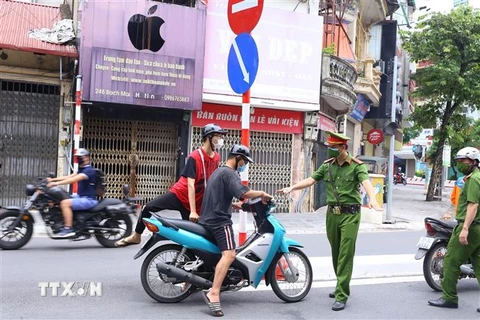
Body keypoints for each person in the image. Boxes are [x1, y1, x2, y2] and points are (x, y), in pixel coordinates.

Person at [277, 131, 382, 311]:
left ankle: (342, 294)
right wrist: (292, 187)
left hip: (350, 215)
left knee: (345, 254)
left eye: (334, 147)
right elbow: (311, 180)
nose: (331, 150)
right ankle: (340, 285)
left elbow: (366, 183)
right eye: (330, 147)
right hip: (332, 214)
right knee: (335, 252)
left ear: (343, 148)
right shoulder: (327, 167)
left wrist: (372, 199)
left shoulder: (357, 166)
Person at [115, 123, 227, 247]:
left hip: (197, 200)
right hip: (180, 195)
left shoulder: (216, 157)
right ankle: (137, 235)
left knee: (194, 238)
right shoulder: (195, 157)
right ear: (208, 137)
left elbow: (211, 182)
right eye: (217, 136)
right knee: (148, 207)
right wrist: (193, 211)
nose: (220, 140)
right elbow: (190, 185)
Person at [199, 144, 272, 317]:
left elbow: (221, 196)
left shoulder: (219, 171)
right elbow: (244, 192)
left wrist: (235, 205)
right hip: (218, 221)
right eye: (244, 161)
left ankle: (192, 283)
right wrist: (262, 193)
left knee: (219, 254)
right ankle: (214, 293)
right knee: (230, 254)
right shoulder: (230, 173)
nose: (244, 164)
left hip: (207, 218)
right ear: (237, 157)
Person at [428, 147, 480, 313]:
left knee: (450, 261)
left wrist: (464, 228)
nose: (460, 165)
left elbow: (473, 205)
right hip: (477, 227)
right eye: (458, 162)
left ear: (473, 161)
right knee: (478, 265)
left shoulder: (474, 179)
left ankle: (449, 297)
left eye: (462, 161)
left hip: (470, 226)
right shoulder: (474, 177)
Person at [47, 148, 98, 237]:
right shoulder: (82, 169)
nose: (78, 159)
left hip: (89, 199)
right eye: (77, 157)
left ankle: (68, 228)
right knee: (59, 200)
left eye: (80, 157)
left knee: (65, 203)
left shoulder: (89, 170)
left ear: (86, 157)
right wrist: (52, 180)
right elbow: (69, 176)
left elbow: (73, 179)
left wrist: (56, 183)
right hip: (80, 196)